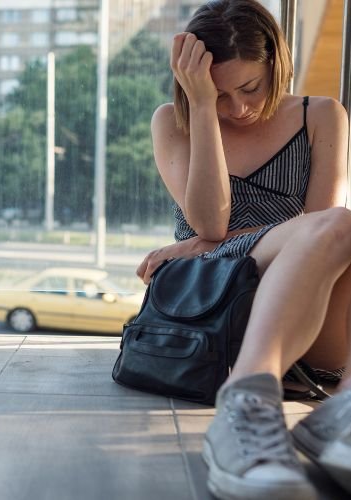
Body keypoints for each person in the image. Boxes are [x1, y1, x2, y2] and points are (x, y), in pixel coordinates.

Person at [137, 1, 351, 498]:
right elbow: (210, 221)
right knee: (339, 223)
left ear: (275, 62)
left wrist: (200, 244)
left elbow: (322, 236)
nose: (238, 108)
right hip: (210, 309)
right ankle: (247, 395)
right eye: (219, 93)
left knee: (337, 229)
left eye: (250, 87)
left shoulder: (321, 115)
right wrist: (201, 108)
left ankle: (339, 413)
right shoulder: (174, 120)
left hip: (309, 318)